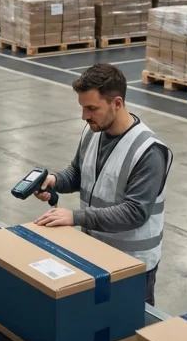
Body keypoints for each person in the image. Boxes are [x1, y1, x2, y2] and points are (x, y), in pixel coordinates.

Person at [33, 63, 172, 306]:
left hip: (133, 266)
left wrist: (75, 217)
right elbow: (77, 173)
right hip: (95, 255)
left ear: (117, 103)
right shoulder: (92, 132)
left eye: (91, 108)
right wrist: (54, 180)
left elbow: (135, 212)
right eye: (83, 107)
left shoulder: (148, 151)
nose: (84, 116)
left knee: (129, 334)